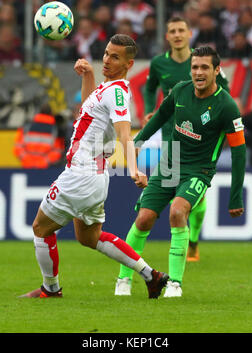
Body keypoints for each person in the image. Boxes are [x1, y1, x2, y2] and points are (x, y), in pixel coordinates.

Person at [20, 34, 169, 299]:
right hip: (96, 177)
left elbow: (125, 133)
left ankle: (50, 289)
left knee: (41, 229)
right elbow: (86, 113)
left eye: (115, 57)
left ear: (128, 63)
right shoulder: (106, 88)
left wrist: (133, 168)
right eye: (106, 53)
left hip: (81, 174)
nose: (107, 60)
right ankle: (151, 275)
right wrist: (88, 76)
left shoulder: (117, 93)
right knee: (89, 237)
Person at [116, 46, 246, 298]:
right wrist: (138, 143)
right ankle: (124, 278)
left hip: (198, 171)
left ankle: (174, 283)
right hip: (168, 164)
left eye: (205, 67)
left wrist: (235, 196)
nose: (198, 72)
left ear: (217, 71)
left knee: (177, 211)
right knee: (143, 219)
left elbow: (239, 152)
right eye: (195, 67)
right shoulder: (180, 91)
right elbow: (158, 118)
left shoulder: (227, 106)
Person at [13, 103, 65, 169]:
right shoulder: (56, 130)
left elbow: (18, 147)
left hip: (27, 168)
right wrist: (43, 162)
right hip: (45, 170)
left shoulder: (26, 127)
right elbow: (57, 151)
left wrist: (28, 160)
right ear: (51, 114)